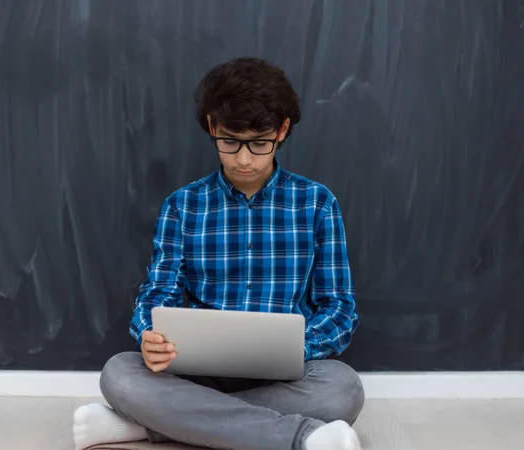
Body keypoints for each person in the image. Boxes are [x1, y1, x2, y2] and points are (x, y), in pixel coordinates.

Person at [73, 57, 364, 450]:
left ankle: (152, 426)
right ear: (212, 127)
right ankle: (303, 438)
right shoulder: (183, 205)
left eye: (259, 143)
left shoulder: (316, 203)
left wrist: (300, 346)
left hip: (286, 375)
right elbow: (159, 293)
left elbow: (340, 308)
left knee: (342, 388)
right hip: (198, 372)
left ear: (281, 131)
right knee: (119, 373)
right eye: (230, 142)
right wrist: (149, 334)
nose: (244, 159)